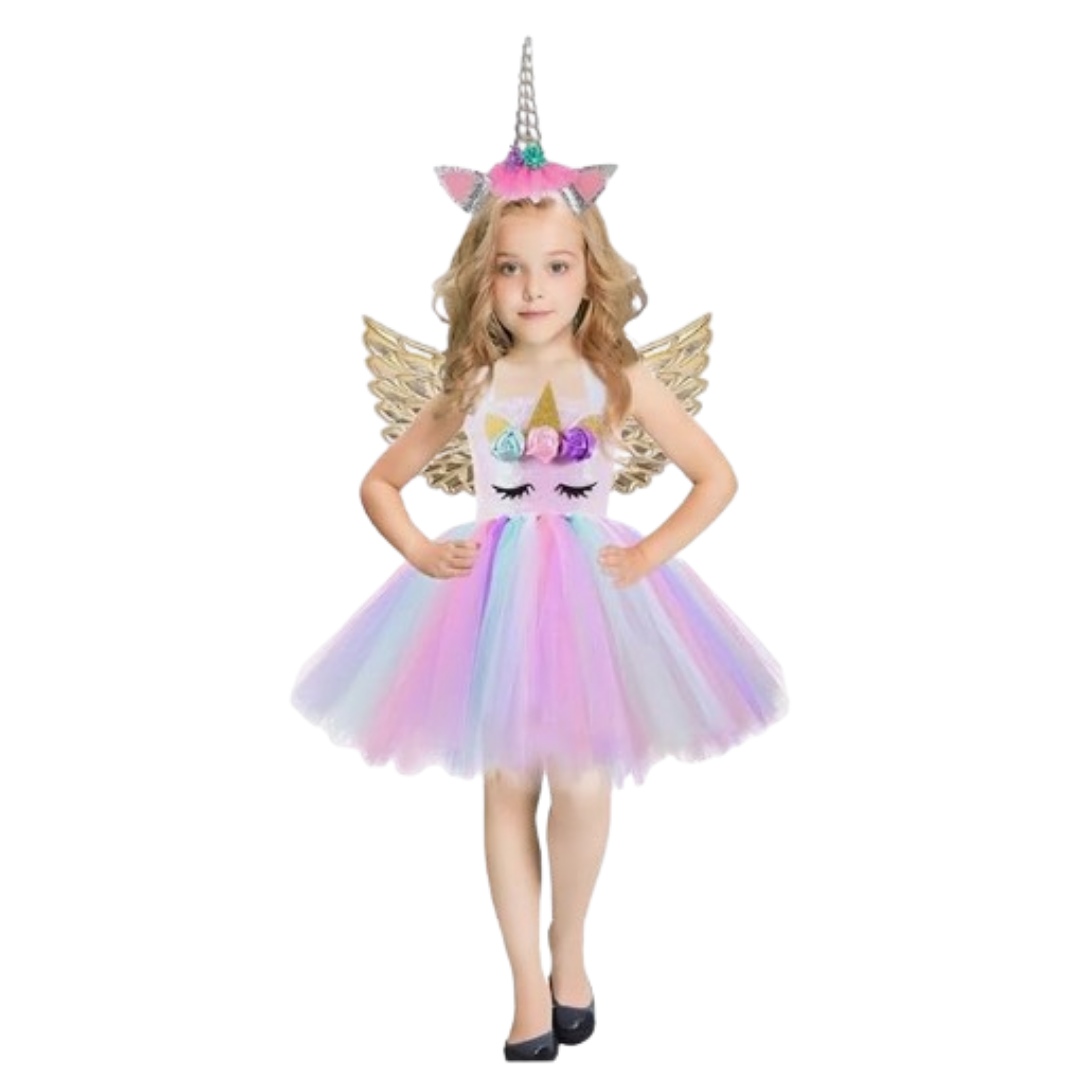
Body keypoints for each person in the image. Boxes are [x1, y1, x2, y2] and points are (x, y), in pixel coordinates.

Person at [290, 38, 788, 1062]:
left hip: (597, 597)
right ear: (482, 280)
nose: (532, 290)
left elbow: (716, 477)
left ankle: (571, 949)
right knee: (507, 782)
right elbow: (381, 481)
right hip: (491, 596)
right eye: (510, 270)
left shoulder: (620, 378)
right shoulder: (471, 387)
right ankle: (524, 982)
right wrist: (420, 549)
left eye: (556, 266)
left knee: (586, 782)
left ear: (590, 272)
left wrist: (647, 559)